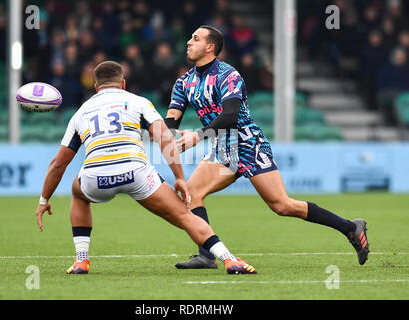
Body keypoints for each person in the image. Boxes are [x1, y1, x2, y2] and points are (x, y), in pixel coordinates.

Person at [164, 25, 370, 269]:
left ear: (210, 47)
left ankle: (350, 227)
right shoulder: (184, 82)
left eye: (195, 38)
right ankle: (207, 256)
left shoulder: (228, 76)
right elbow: (171, 121)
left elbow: (230, 116)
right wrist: (172, 133)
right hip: (221, 147)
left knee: (282, 206)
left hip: (247, 142)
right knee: (191, 194)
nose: (188, 42)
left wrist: (197, 136)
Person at [34, 60, 257, 275]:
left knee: (78, 193)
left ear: (95, 87)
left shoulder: (81, 112)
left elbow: (58, 164)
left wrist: (44, 200)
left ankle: (81, 261)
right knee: (184, 216)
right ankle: (229, 259)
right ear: (123, 83)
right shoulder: (138, 102)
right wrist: (179, 177)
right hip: (136, 173)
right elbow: (164, 139)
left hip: (96, 176)